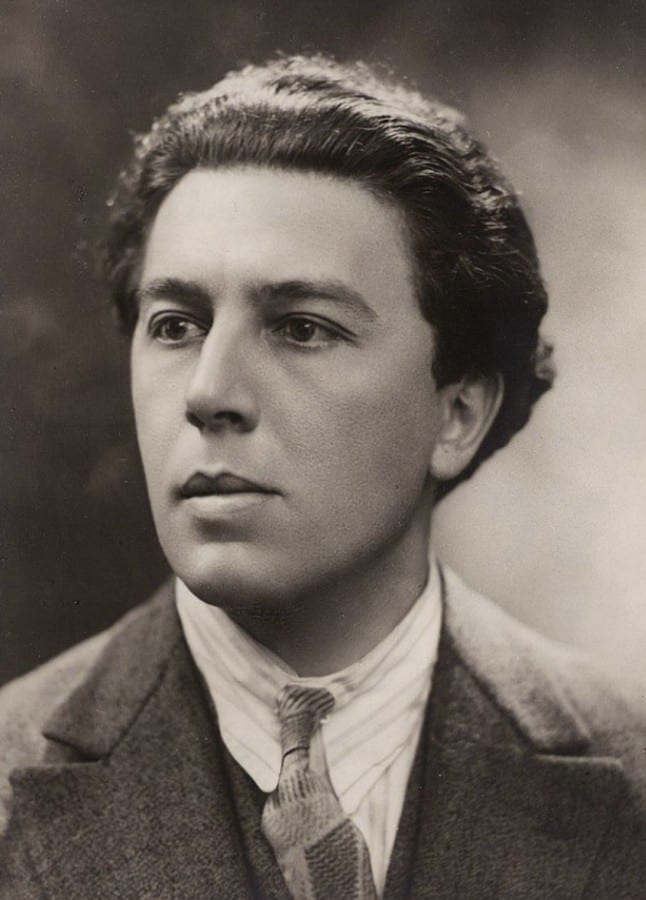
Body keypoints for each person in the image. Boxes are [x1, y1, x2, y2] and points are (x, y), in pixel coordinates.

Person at [1, 54, 644, 899]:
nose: (208, 393)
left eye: (302, 328)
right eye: (176, 325)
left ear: (457, 414)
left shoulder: (630, 772)